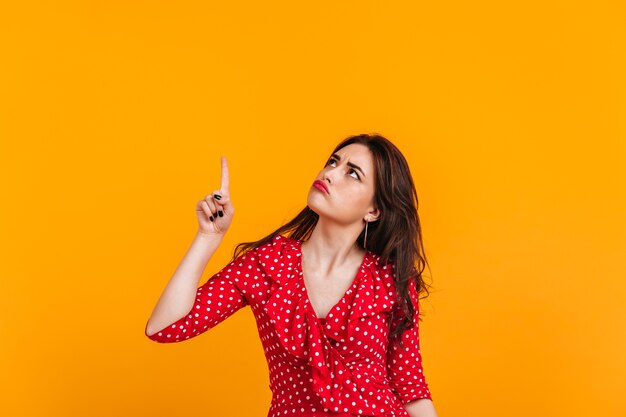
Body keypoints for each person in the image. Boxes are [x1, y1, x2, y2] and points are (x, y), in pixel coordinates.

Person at [145, 133, 438, 417]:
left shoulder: (388, 279)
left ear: (374, 210)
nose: (330, 174)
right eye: (333, 162)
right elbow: (166, 327)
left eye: (353, 173)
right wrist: (207, 237)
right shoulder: (267, 265)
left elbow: (411, 389)